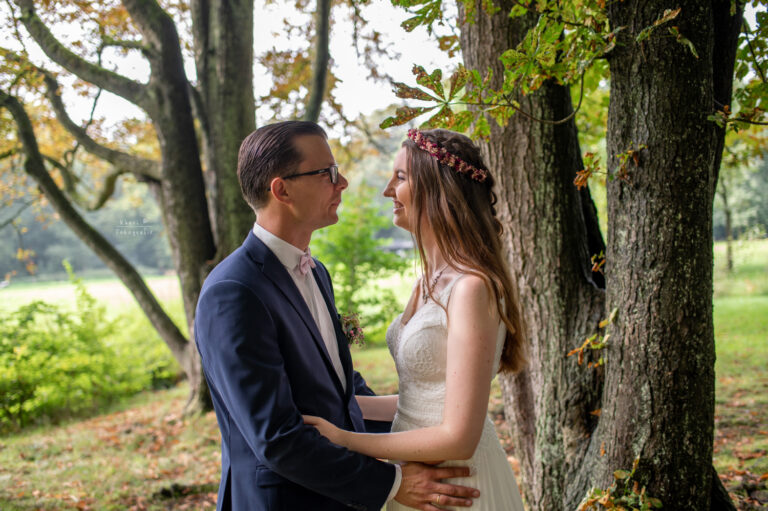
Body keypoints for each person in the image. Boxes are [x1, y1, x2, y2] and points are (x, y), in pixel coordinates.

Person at [194, 121, 481, 511]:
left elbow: (343, 392)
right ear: (282, 190)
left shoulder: (317, 273)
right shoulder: (234, 292)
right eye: (326, 173)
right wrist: (393, 483)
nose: (342, 182)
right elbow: (276, 438)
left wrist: (416, 435)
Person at [304, 128, 527, 510]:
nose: (387, 189)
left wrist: (345, 439)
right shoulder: (426, 281)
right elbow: (420, 399)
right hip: (413, 476)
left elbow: (459, 436)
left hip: (456, 479)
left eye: (401, 177)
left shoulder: (471, 288)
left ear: (438, 189)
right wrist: (332, 405)